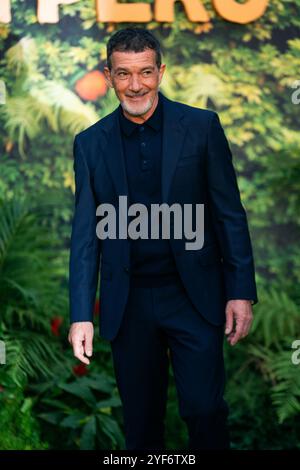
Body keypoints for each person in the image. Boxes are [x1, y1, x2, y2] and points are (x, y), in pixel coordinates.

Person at [68, 27, 258, 450]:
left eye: (145, 72)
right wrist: (81, 313)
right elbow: (85, 236)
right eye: (123, 74)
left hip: (194, 296)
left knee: (206, 412)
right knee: (141, 428)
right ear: (109, 75)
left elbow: (229, 214)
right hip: (128, 301)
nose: (135, 85)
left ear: (161, 72)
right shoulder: (90, 144)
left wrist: (240, 291)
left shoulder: (202, 127)